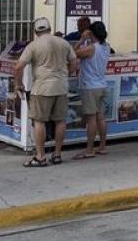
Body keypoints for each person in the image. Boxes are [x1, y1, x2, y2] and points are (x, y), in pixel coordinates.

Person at [14, 16, 76, 167]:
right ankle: (57, 154)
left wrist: (18, 84)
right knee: (60, 121)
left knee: (39, 121)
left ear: (35, 32)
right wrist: (66, 74)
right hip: (61, 87)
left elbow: (18, 67)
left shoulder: (33, 46)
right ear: (50, 29)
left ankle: (40, 156)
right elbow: (74, 61)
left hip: (41, 88)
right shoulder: (63, 43)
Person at [73, 21, 111, 160]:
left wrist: (81, 39)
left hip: (90, 87)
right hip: (101, 84)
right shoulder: (106, 46)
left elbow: (72, 53)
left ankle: (89, 149)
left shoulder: (91, 49)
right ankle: (102, 146)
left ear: (92, 33)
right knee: (101, 117)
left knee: (91, 119)